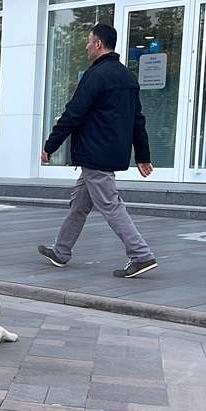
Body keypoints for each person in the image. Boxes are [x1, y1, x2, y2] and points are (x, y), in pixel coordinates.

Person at [38, 23, 157, 279]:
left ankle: (141, 255)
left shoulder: (95, 76)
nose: (86, 46)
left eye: (88, 41)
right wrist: (143, 155)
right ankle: (61, 251)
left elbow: (73, 113)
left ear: (99, 44)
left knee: (110, 205)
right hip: (108, 152)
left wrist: (51, 145)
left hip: (95, 152)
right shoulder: (127, 77)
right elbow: (138, 119)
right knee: (79, 204)